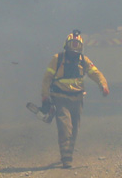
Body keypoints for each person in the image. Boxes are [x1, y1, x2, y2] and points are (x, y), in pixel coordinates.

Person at [40, 30, 108, 168]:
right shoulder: (57, 59)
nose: (75, 47)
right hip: (60, 98)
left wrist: (103, 85)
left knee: (75, 129)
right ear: (66, 45)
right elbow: (47, 78)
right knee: (65, 128)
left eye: (78, 44)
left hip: (77, 99)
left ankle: (68, 153)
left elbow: (95, 73)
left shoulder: (84, 60)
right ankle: (66, 158)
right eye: (73, 44)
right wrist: (45, 95)